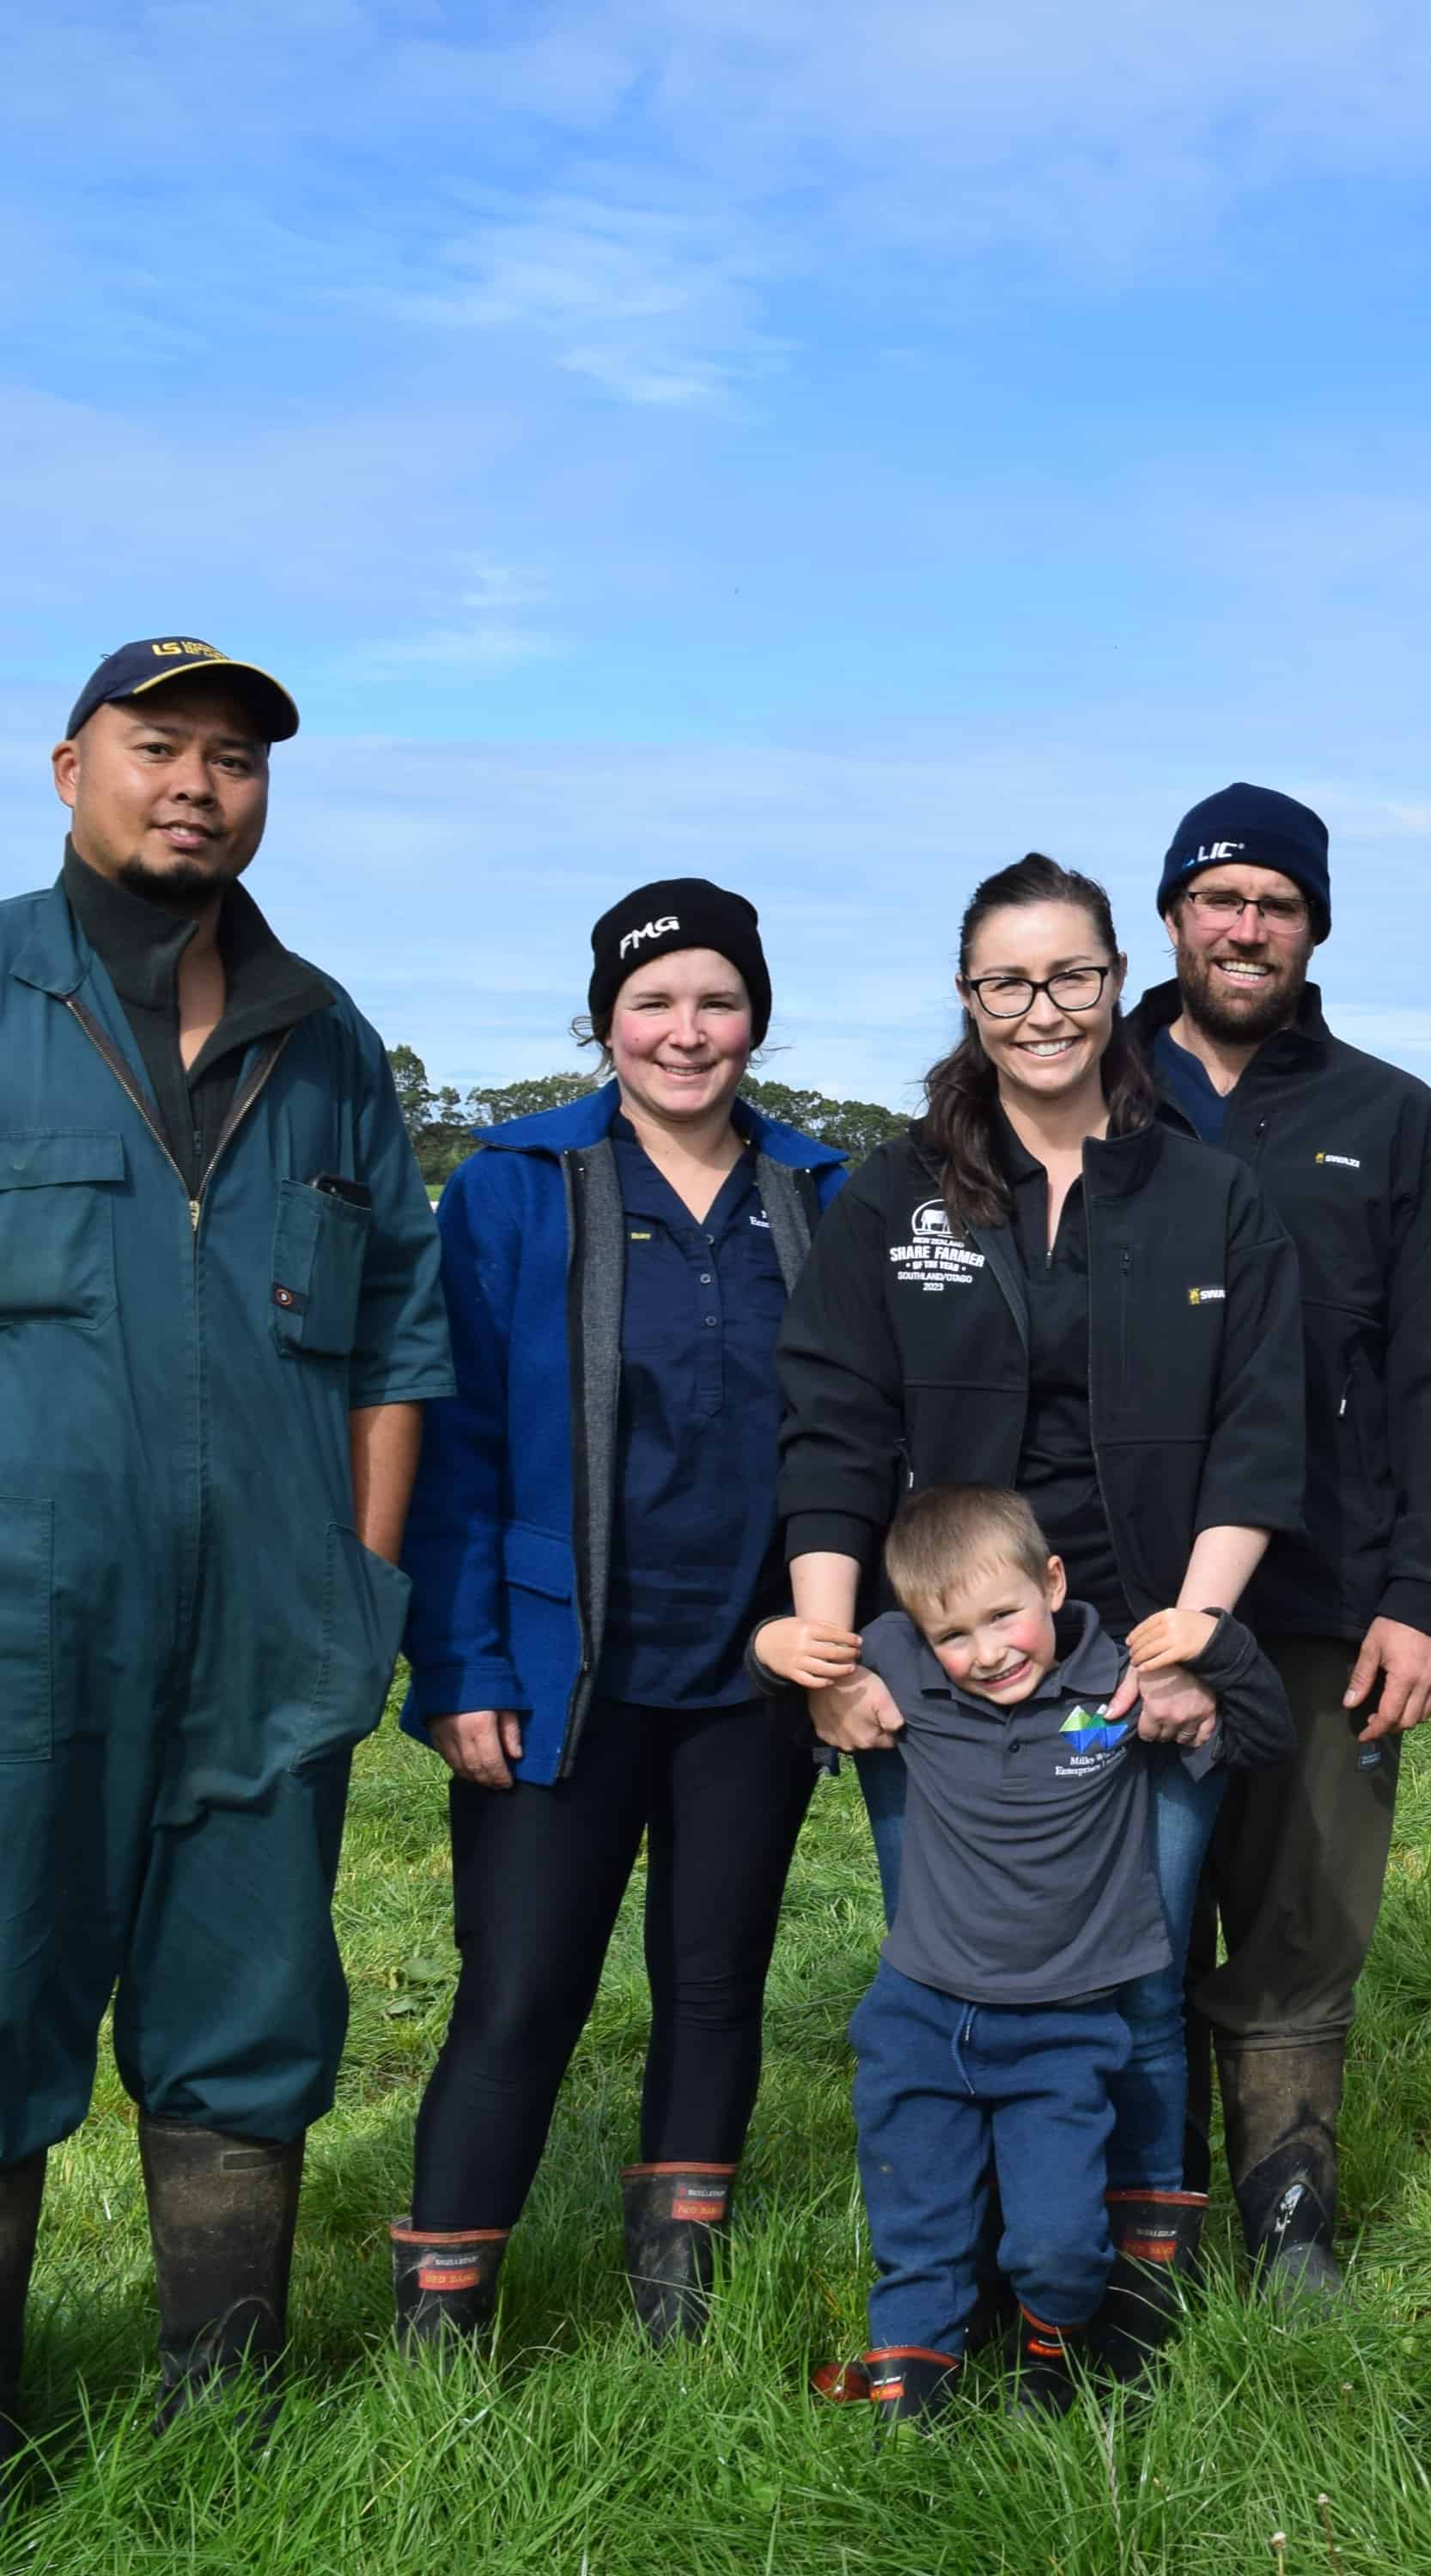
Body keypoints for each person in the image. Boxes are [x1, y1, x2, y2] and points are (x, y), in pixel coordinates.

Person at [0, 638, 450, 2518]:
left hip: (275, 1642)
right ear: (69, 768)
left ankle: (227, 2397)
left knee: (253, 2013)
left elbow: (396, 1349)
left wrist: (356, 1580)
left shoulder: (328, 1040)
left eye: (236, 761)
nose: (199, 784)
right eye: (159, 747)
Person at [771, 852, 1305, 2349]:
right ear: (966, 996)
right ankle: (969, 2290)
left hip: (1135, 1645)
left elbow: (1261, 1427)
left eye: (1071, 975)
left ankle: (1114, 2300)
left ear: (1116, 980)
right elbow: (831, 1423)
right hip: (945, 1660)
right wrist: (833, 1656)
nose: (1043, 1009)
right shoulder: (895, 1194)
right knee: (957, 1967)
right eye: (1008, 982)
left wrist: (1195, 1634)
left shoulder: (1209, 1193)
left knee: (1133, 1972)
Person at [387, 880, 848, 2349]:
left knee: (713, 1981)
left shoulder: (817, 1196)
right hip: (554, 1670)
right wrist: (460, 1663)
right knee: (521, 1989)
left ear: (756, 1018)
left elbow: (857, 1431)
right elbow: (452, 1446)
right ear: (603, 1022)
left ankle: (675, 2287)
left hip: (755, 1669)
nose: (685, 1031)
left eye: (716, 1001)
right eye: (652, 1003)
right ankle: (445, 2308)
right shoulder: (520, 1184)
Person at [1125, 782, 1431, 2296]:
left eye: (1277, 903)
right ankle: (1133, 2233)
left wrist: (1422, 1599)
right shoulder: (1085, 1086)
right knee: (1112, 1918)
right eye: (1219, 898)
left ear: (1315, 927)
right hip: (1115, 1605)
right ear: (1171, 917)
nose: (1245, 925)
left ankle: (1290, 2228)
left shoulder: (1389, 1121)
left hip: (1329, 1605)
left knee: (1302, 1920)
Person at [833, 1488, 1290, 2421]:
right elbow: (797, 1673)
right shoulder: (899, 1665)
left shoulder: (1117, 1684)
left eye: (1004, 1615)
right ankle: (910, 2393)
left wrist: (1209, 1645)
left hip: (1060, 2029)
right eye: (952, 1634)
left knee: (1058, 2242)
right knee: (916, 2222)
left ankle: (1051, 2349)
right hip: (919, 2015)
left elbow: (1266, 1735)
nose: (988, 1652)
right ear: (919, 1636)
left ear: (1052, 1581)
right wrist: (777, 1652)